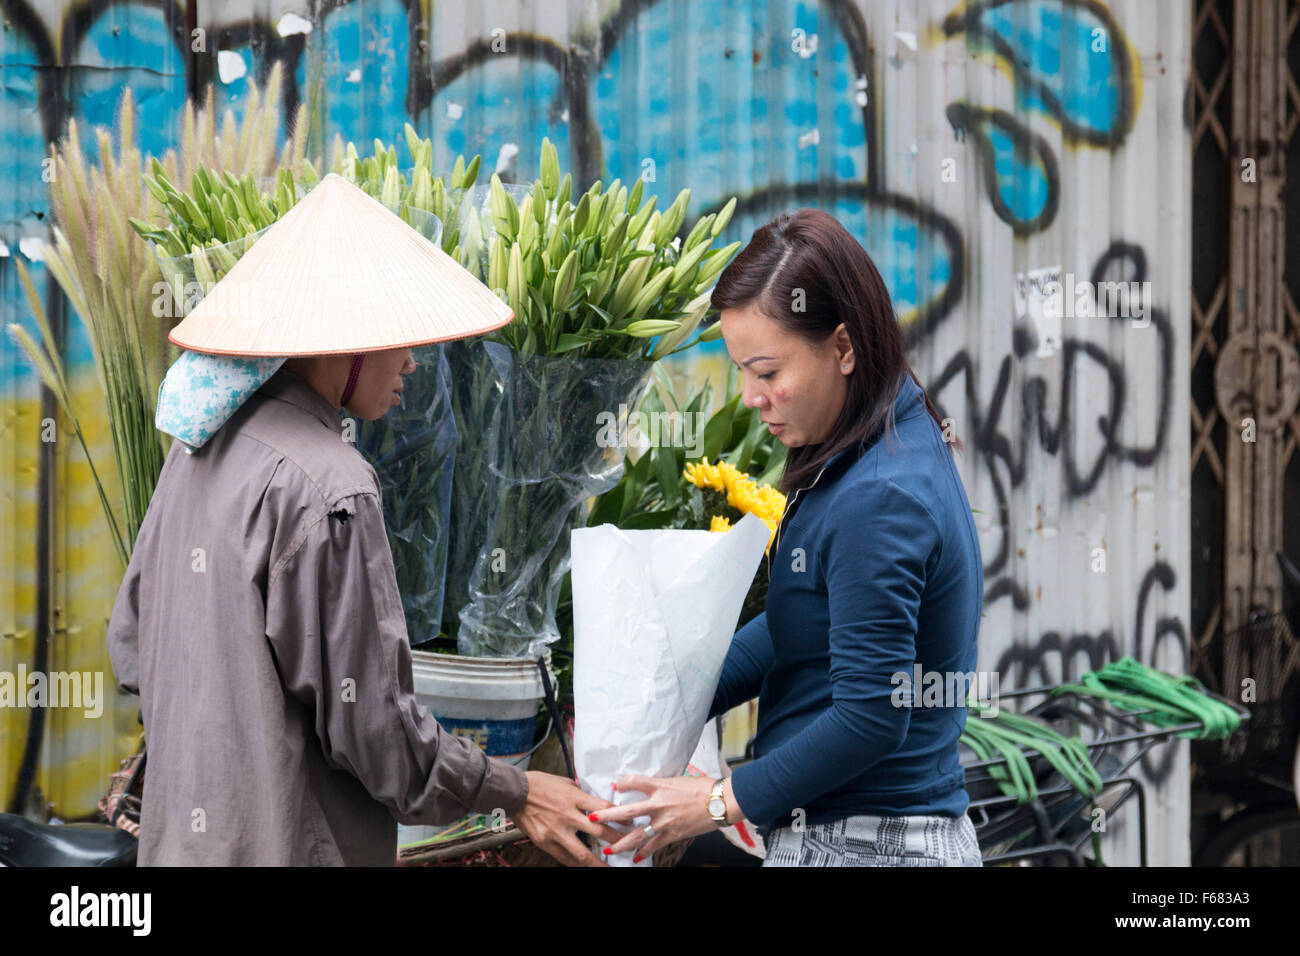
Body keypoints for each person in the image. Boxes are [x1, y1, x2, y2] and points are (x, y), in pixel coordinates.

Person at [106, 174, 623, 865]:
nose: (412, 360)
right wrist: (517, 790)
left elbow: (131, 645)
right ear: (338, 341)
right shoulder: (332, 484)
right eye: (394, 337)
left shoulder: (195, 446)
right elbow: (375, 732)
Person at [591, 208, 984, 866]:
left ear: (844, 348)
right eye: (741, 369)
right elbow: (799, 620)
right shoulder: (870, 445)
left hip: (870, 847)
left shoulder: (878, 497)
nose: (749, 396)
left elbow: (870, 716)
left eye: (768, 372)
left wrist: (713, 802)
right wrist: (673, 687)